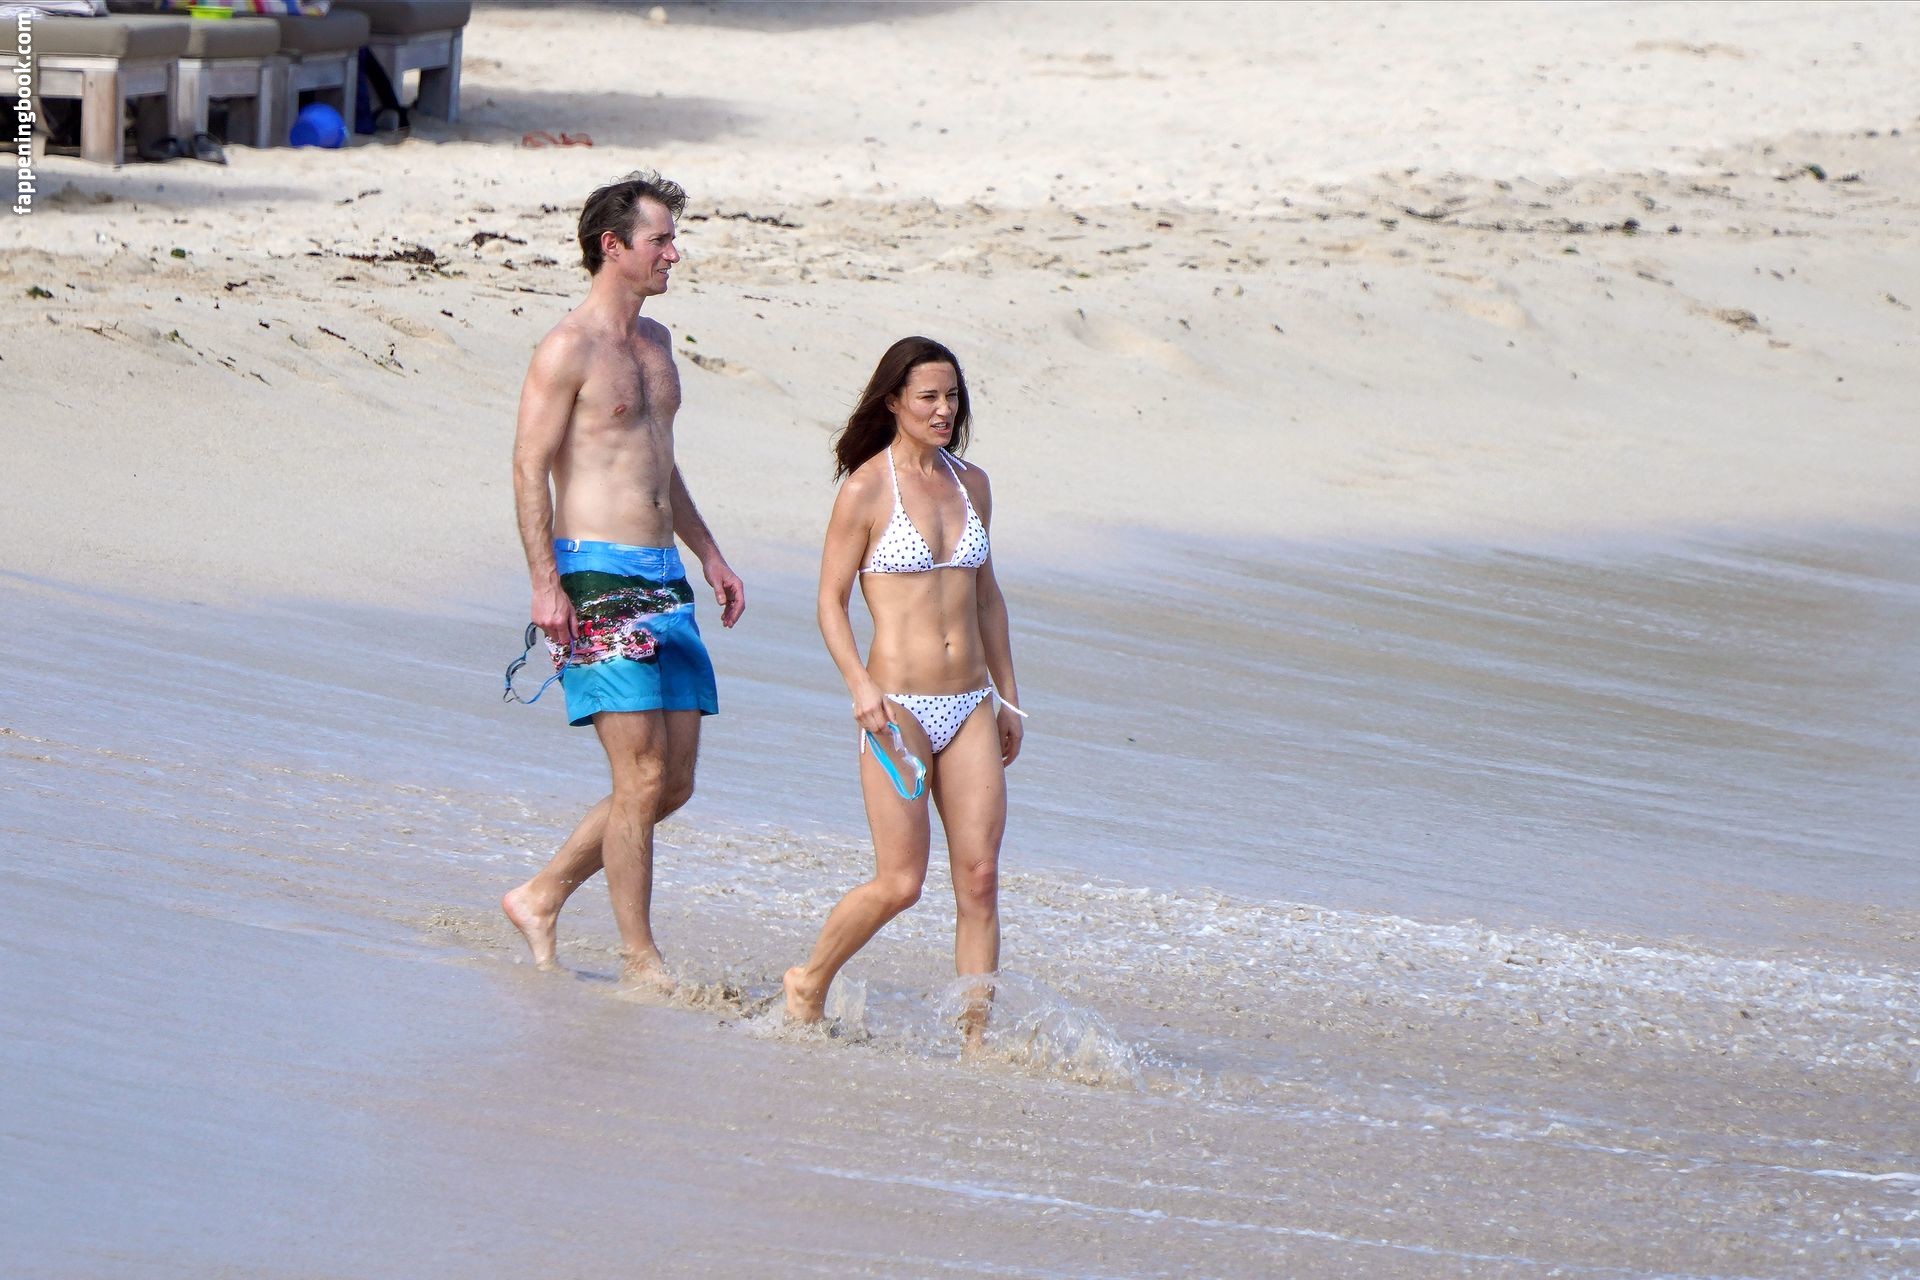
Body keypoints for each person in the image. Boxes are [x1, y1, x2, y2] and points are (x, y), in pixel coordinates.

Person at [500, 171, 745, 985]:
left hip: (665, 576)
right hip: (595, 575)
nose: (674, 254)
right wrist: (546, 584)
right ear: (614, 246)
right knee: (637, 776)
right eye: (660, 240)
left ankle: (540, 895)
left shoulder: (658, 344)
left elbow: (658, 467)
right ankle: (642, 959)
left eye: (673, 239)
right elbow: (529, 467)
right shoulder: (566, 349)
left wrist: (708, 553)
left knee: (672, 783)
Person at [783, 337, 1025, 1046]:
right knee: (901, 882)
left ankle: (975, 1041)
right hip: (897, 709)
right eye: (929, 397)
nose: (944, 409)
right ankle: (809, 981)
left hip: (970, 703)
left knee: (979, 877)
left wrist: (1008, 697)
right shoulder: (865, 489)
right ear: (894, 401)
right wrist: (860, 687)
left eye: (952, 396)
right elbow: (829, 602)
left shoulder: (972, 483)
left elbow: (987, 597)